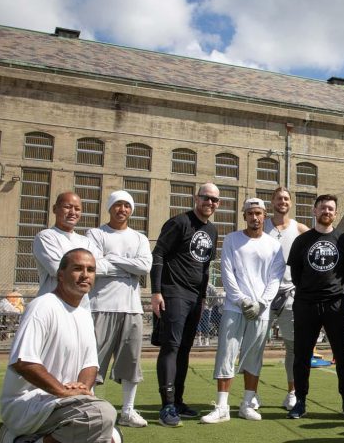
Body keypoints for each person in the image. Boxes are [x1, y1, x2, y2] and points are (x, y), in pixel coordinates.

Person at [0, 248, 118, 443]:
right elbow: (23, 362)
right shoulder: (43, 306)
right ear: (60, 274)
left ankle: (18, 441)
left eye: (90, 270)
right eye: (78, 268)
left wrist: (81, 388)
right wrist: (61, 391)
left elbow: (90, 365)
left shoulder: (83, 314)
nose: (85, 275)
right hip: (28, 403)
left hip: (63, 404)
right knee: (103, 415)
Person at [200, 198, 285, 424]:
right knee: (226, 355)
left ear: (264, 216)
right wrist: (241, 301)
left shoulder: (274, 246)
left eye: (258, 213)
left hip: (261, 311)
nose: (254, 217)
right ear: (244, 215)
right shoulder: (231, 240)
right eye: (250, 213)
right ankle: (221, 407)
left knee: (253, 357)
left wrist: (261, 304)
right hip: (233, 309)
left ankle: (247, 404)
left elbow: (275, 278)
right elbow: (227, 273)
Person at [151, 182, 220, 427]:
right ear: (196, 198)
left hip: (195, 298)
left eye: (214, 200)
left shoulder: (212, 231)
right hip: (173, 293)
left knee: (185, 349)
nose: (209, 203)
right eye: (205, 198)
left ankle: (178, 400)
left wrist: (202, 298)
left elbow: (204, 268)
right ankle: (167, 405)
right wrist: (156, 292)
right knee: (171, 346)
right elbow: (158, 254)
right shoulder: (179, 223)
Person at [286, 194, 344, 419]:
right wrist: (310, 291)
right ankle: (300, 401)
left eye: (330, 209)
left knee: (343, 354)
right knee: (301, 354)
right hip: (306, 304)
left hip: (335, 304)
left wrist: (337, 291)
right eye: (322, 208)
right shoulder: (302, 241)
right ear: (314, 211)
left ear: (335, 213)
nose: (326, 212)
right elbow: (296, 274)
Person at [87, 190, 153, 428]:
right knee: (92, 362)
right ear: (110, 208)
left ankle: (127, 411)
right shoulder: (95, 234)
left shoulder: (140, 238)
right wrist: (128, 268)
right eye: (118, 205)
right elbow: (95, 265)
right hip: (100, 307)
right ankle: (89, 410)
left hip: (131, 309)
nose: (122, 209)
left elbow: (145, 267)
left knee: (131, 362)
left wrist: (111, 258)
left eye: (126, 205)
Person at [266, 187, 310, 410]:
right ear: (272, 201)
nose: (282, 202)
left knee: (292, 347)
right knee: (254, 346)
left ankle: (292, 392)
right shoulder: (261, 225)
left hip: (290, 294)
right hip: (263, 295)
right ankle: (250, 394)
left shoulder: (300, 229)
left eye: (286, 199)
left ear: (291, 203)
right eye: (278, 198)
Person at [33, 192, 93, 298]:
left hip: (81, 306)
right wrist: (89, 269)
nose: (72, 212)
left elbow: (103, 267)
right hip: (53, 303)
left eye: (77, 209)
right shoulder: (46, 237)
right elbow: (57, 269)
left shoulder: (85, 241)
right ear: (55, 209)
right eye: (67, 207)